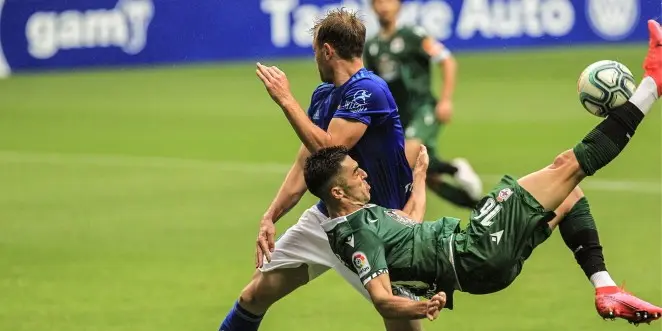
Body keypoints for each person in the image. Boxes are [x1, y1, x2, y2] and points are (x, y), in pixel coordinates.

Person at [303, 20, 662, 326]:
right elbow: (381, 298)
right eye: (355, 173)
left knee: (569, 195)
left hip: (474, 246)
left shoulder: (362, 214)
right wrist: (420, 306)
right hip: (475, 253)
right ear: (337, 192)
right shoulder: (356, 236)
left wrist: (422, 175)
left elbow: (410, 220)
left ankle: (606, 287)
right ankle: (652, 84)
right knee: (569, 167)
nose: (364, 175)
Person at [221, 8, 423, 331]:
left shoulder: (369, 90)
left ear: (327, 50)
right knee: (255, 293)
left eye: (316, 51)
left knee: (403, 323)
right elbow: (307, 162)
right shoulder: (324, 96)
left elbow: (331, 148)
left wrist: (287, 100)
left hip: (376, 225)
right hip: (327, 218)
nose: (315, 59)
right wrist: (271, 216)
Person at [364, 0, 483, 209]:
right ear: (372, 7)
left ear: (399, 6)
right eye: (378, 2)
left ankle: (453, 170)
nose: (384, 6)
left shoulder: (413, 35)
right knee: (429, 177)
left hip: (422, 109)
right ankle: (479, 206)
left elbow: (447, 61)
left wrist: (445, 100)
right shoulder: (372, 46)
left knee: (406, 161)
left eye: (389, 1)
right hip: (398, 118)